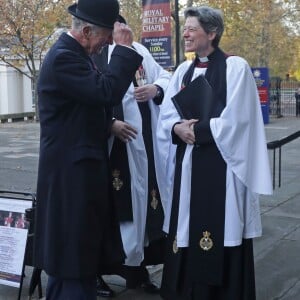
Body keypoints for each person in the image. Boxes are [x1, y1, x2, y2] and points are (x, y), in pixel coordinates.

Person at [156, 6, 273, 300]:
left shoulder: (236, 68)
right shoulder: (183, 70)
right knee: (184, 224)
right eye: (185, 29)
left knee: (221, 227)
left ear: (212, 33)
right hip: (189, 165)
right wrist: (176, 129)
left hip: (221, 167)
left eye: (192, 28)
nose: (186, 34)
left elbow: (240, 120)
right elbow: (166, 115)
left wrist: (199, 131)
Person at [33, 0, 143, 299]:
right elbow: (104, 91)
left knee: (77, 261)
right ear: (85, 31)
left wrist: (108, 124)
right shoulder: (64, 58)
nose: (107, 43)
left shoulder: (76, 55)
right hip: (71, 181)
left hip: (79, 176)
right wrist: (124, 50)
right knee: (72, 263)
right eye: (105, 37)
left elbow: (77, 107)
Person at [92, 15, 171, 298]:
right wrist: (110, 122)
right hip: (114, 149)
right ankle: (98, 273)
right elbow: (91, 96)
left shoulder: (139, 51)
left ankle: (136, 272)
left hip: (143, 147)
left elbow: (164, 76)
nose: (121, 34)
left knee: (144, 211)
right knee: (116, 211)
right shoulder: (97, 55)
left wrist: (156, 89)